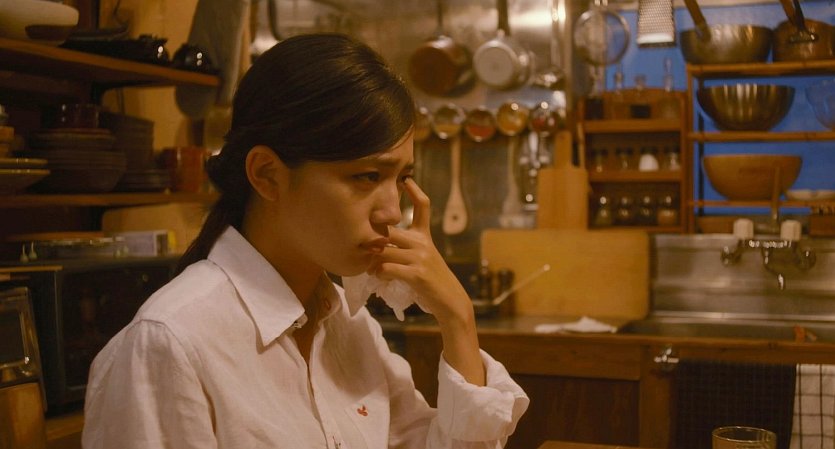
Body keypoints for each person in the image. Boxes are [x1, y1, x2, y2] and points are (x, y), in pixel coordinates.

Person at [82, 33, 529, 449]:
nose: (393, 212)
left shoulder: (348, 322)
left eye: (401, 178)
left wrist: (458, 319)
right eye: (367, 176)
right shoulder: (169, 344)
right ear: (267, 175)